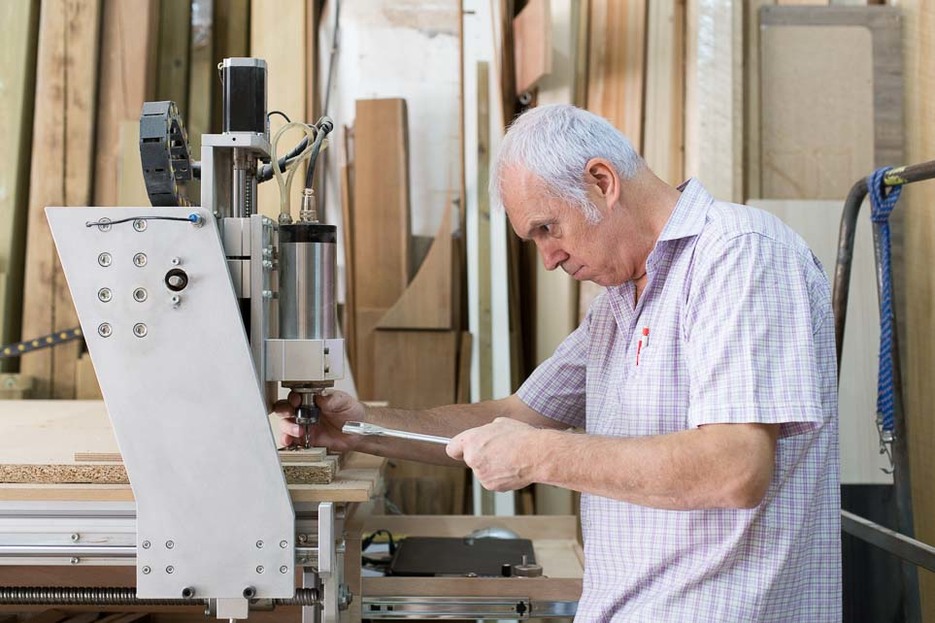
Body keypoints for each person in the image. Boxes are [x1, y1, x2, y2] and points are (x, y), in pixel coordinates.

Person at [276, 104, 841, 621]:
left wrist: (543, 456)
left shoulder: (740, 256)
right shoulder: (618, 304)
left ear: (602, 182)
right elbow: (516, 416)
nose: (548, 259)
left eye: (548, 229)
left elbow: (735, 468)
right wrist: (354, 429)